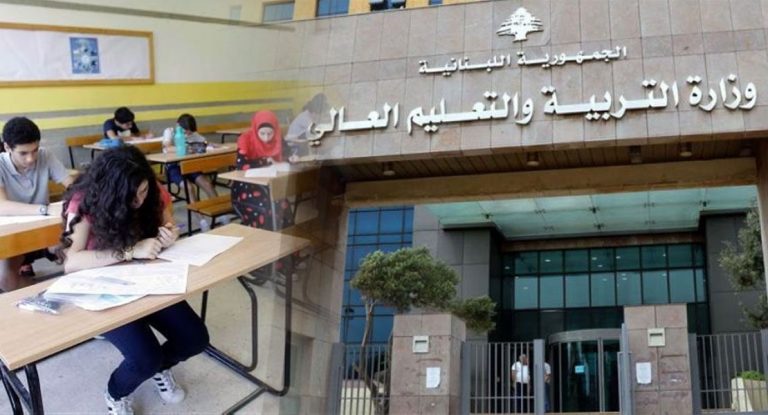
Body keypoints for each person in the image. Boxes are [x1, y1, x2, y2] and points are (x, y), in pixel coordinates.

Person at [59, 146, 209, 415]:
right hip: (102, 285)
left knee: (195, 338)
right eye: (132, 195)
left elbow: (168, 224)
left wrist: (169, 234)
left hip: (144, 276)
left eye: (143, 191)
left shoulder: (150, 189)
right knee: (144, 358)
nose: (140, 200)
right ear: (112, 192)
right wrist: (130, 251)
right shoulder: (84, 200)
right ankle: (115, 392)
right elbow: (72, 262)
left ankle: (161, 368)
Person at [0, 117, 75, 291]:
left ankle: (69, 291)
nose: (30, 159)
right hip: (14, 232)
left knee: (77, 258)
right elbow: (1, 205)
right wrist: (45, 209)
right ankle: (44, 294)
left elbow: (71, 185)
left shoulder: (45, 155)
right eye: (23, 153)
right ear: (7, 147)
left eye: (34, 150)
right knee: (5, 280)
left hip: (46, 228)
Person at [232, 110, 293, 231]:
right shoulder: (245, 139)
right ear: (256, 130)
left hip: (270, 185)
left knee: (283, 204)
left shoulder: (278, 138)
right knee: (265, 207)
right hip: (246, 186)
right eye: (262, 133)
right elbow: (241, 165)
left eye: (270, 133)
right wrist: (265, 161)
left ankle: (284, 237)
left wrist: (292, 158)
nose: (266, 138)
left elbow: (288, 156)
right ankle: (264, 238)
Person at [161, 114, 218, 230]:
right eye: (185, 131)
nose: (187, 135)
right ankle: (202, 221)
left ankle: (219, 213)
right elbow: (167, 147)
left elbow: (204, 143)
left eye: (189, 133)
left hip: (189, 165)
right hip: (173, 167)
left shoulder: (193, 134)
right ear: (177, 125)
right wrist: (186, 148)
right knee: (189, 188)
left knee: (207, 184)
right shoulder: (170, 132)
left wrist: (210, 145)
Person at [284, 93, 327, 161]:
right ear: (314, 112)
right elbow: (316, 131)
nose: (319, 116)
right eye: (319, 114)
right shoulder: (305, 118)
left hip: (300, 143)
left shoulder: (309, 115)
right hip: (294, 145)